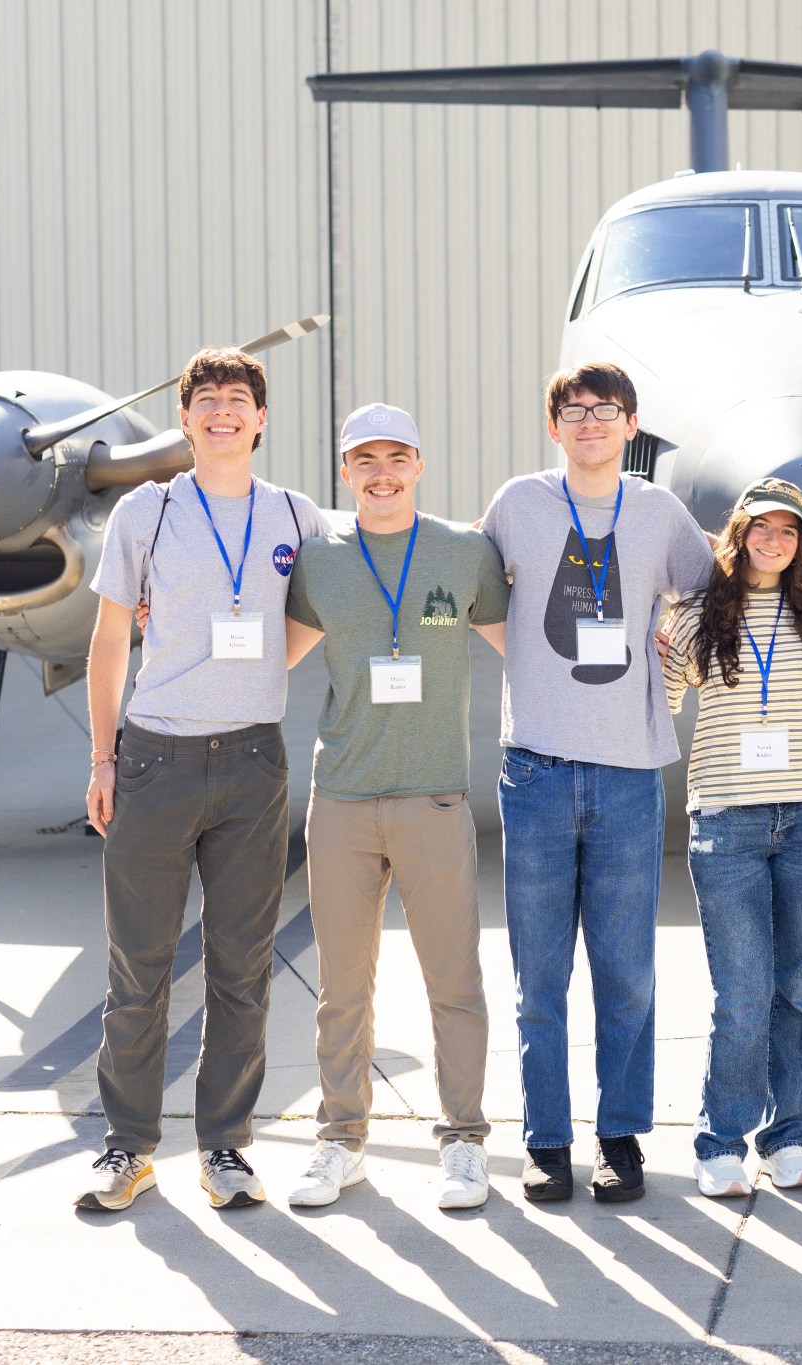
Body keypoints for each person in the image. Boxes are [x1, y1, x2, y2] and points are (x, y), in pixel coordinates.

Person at [78, 347, 330, 1212]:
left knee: (241, 967)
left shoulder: (297, 515)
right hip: (155, 757)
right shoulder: (145, 514)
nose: (223, 411)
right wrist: (104, 757)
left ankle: (225, 1146)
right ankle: (127, 1147)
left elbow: (332, 604)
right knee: (137, 966)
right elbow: (111, 640)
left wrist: (262, 667)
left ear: (261, 419)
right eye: (207, 399)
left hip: (253, 763)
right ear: (184, 419)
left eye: (239, 399)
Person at [481, 362, 716, 1204]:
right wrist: (530, 661)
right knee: (538, 974)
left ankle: (620, 1137)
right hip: (536, 770)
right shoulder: (517, 505)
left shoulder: (658, 512)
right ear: (555, 426)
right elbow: (470, 589)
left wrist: (674, 645)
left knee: (627, 973)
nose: (589, 424)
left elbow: (719, 589)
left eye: (604, 411)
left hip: (626, 777)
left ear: (630, 424)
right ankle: (547, 1140)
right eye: (574, 412)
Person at [278, 403, 511, 1211]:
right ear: (345, 471)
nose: (381, 472)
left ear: (420, 464)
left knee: (454, 981)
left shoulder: (466, 552)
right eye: (364, 459)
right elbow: (271, 658)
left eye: (397, 456)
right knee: (343, 986)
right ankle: (341, 1141)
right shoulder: (319, 559)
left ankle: (463, 1143)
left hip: (434, 798)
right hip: (340, 799)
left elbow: (531, 649)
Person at [662, 478, 802, 1198]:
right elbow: (665, 695)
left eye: (789, 531)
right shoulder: (697, 616)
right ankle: (719, 1141)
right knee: (741, 993)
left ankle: (788, 1137)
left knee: (795, 989)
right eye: (761, 528)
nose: (774, 541)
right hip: (728, 821)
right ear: (738, 533)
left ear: (800, 543)